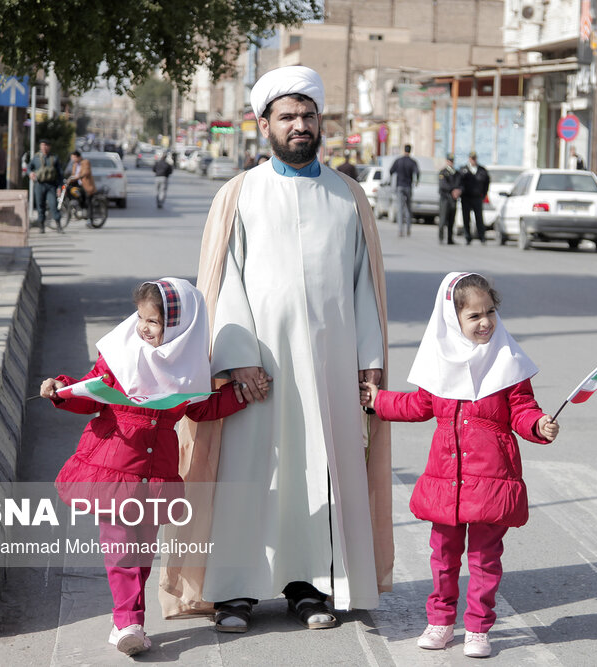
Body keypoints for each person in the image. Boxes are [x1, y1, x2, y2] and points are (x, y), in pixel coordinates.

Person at [159, 65, 393, 633]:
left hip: (331, 367)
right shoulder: (240, 194)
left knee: (320, 471)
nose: (300, 125)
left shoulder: (348, 195)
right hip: (255, 368)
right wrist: (236, 357)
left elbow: (366, 286)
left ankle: (309, 586)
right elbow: (222, 280)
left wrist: (369, 364)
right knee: (248, 471)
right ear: (263, 124)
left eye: (309, 116)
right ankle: (233, 590)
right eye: (287, 116)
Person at [40, 279, 256, 656]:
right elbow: (92, 394)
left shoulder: (188, 364)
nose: (143, 327)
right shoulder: (120, 353)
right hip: (114, 463)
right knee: (121, 547)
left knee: (141, 550)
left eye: (153, 322)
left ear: (178, 326)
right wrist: (62, 388)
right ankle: (127, 622)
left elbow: (201, 408)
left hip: (156, 469)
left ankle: (128, 618)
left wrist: (239, 395)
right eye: (141, 317)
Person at [360, 272, 559, 658]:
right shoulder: (440, 363)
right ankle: (439, 621)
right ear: (454, 320)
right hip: (447, 479)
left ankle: (478, 629)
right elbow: (418, 407)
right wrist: (377, 400)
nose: (485, 322)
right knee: (443, 557)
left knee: (485, 559)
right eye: (474, 316)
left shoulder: (508, 361)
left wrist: (538, 425)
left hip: (491, 479)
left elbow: (522, 410)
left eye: (490, 313)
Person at [29, 139, 62, 232]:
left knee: (53, 205)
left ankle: (58, 225)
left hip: (51, 185)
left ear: (49, 147)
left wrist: (59, 187)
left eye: (46, 145)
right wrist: (30, 173)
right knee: (40, 205)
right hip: (39, 185)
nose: (44, 147)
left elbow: (60, 174)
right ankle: (41, 226)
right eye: (42, 145)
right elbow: (29, 168)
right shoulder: (36, 158)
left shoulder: (54, 158)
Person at [459, 151, 490, 244]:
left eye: (474, 158)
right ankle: (468, 237)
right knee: (466, 218)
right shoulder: (463, 169)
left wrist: (483, 194)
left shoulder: (482, 170)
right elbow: (459, 183)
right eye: (471, 158)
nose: (473, 160)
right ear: (469, 158)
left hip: (477, 197)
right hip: (466, 197)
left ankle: (482, 237)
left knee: (479, 218)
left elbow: (487, 183)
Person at [390, 144, 419, 237]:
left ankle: (400, 230)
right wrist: (417, 181)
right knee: (408, 208)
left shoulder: (398, 161)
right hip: (408, 186)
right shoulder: (412, 162)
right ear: (410, 150)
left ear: (404, 150)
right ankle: (408, 229)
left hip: (399, 186)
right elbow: (417, 172)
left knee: (400, 208)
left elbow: (391, 170)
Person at [438, 153, 461, 245]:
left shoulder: (457, 173)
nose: (451, 162)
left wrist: (459, 191)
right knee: (443, 219)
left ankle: (450, 238)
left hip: (453, 199)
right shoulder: (443, 172)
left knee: (452, 220)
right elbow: (443, 185)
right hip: (445, 199)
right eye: (449, 161)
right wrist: (453, 190)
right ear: (446, 161)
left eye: (452, 161)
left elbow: (460, 184)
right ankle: (441, 237)